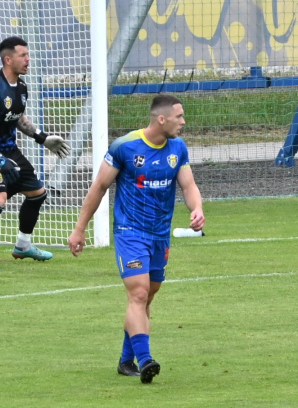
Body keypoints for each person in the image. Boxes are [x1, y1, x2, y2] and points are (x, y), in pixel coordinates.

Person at [68, 94, 205, 384]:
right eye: (179, 117)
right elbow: (99, 188)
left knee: (148, 296)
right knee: (139, 293)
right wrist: (80, 229)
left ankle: (125, 360)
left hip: (159, 235)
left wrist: (197, 209)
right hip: (130, 233)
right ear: (162, 119)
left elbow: (188, 184)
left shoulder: (177, 148)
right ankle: (145, 361)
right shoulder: (125, 147)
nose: (183, 122)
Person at [0, 36, 71, 271]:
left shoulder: (21, 87)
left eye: (28, 54)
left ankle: (23, 246)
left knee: (38, 193)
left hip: (9, 149)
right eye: (23, 55)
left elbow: (17, 119)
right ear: (8, 59)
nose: (28, 59)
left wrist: (43, 138)